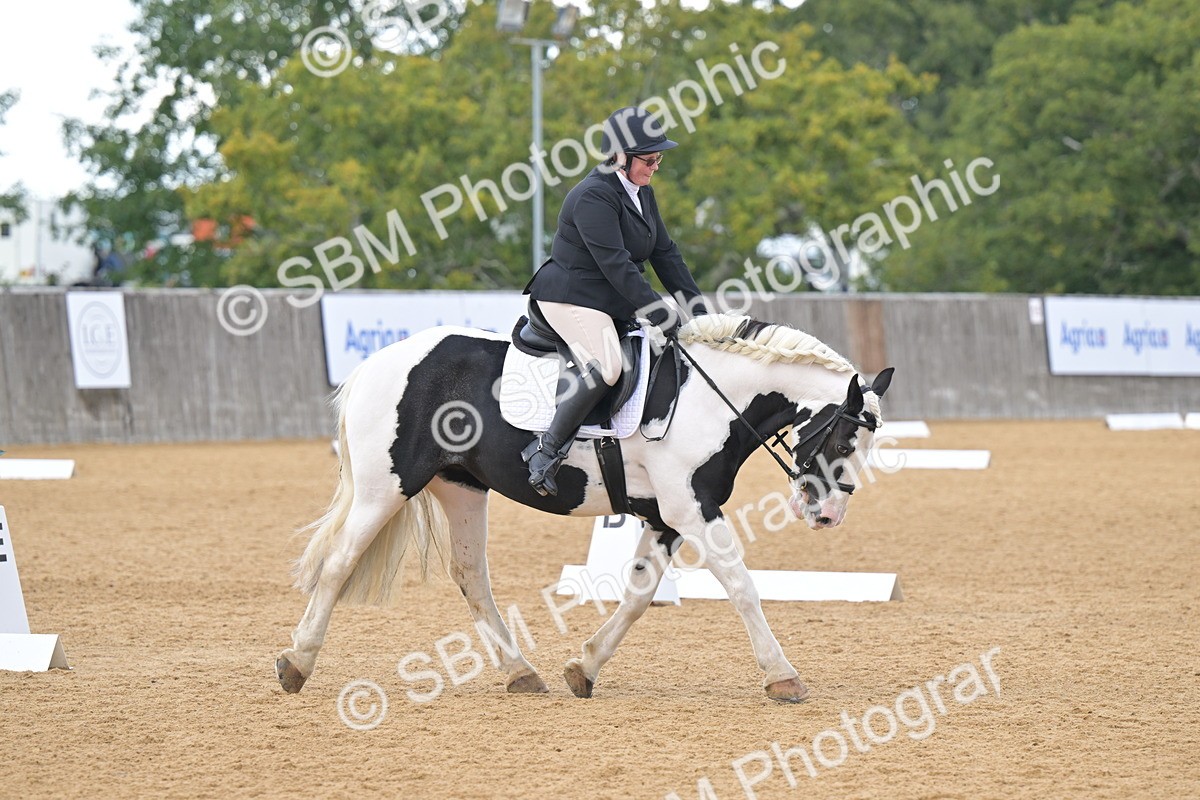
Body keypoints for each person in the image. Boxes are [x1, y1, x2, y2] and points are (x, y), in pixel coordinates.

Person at [520, 105, 709, 496]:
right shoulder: (593, 196)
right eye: (650, 158)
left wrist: (701, 314)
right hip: (570, 296)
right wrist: (662, 314)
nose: (656, 166)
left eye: (659, 158)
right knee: (607, 365)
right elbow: (617, 265)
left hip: (608, 299)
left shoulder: (643, 194)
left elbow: (666, 255)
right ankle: (545, 449)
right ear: (620, 156)